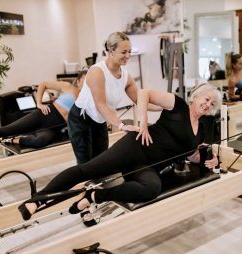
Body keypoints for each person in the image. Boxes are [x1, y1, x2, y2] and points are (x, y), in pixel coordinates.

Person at [18, 84, 222, 221]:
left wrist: (207, 159)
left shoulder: (201, 130)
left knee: (151, 189)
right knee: (88, 170)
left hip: (146, 167)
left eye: (212, 104)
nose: (207, 105)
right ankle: (36, 200)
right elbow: (144, 93)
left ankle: (97, 195)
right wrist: (142, 123)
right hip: (135, 147)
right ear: (195, 96)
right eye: (206, 99)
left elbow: (190, 155)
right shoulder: (177, 105)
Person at [68, 32, 159, 164]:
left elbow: (141, 102)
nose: (128, 56)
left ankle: (99, 183)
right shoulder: (97, 72)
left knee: (101, 160)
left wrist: (165, 106)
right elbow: (101, 105)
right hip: (80, 119)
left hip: (99, 120)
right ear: (111, 51)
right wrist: (121, 125)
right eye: (123, 52)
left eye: (129, 51)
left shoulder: (126, 77)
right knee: (85, 163)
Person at [0, 69, 88, 157]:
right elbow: (43, 84)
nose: (86, 83)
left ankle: (13, 140)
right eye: (84, 80)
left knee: (40, 141)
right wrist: (39, 103)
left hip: (55, 128)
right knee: (7, 129)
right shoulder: (67, 87)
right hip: (44, 115)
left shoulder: (87, 99)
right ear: (78, 80)